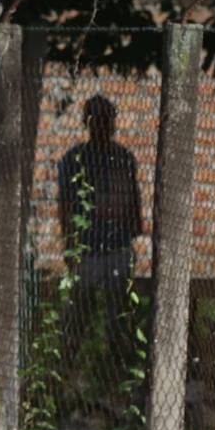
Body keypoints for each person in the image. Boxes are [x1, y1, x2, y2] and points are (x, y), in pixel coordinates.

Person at [56, 94, 143, 372]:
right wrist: (70, 245)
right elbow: (66, 206)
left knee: (118, 317)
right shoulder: (74, 160)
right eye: (99, 120)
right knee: (78, 317)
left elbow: (133, 203)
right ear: (88, 123)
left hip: (116, 248)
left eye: (109, 119)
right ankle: (65, 375)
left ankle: (115, 375)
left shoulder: (124, 159)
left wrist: (131, 236)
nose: (106, 126)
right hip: (87, 251)